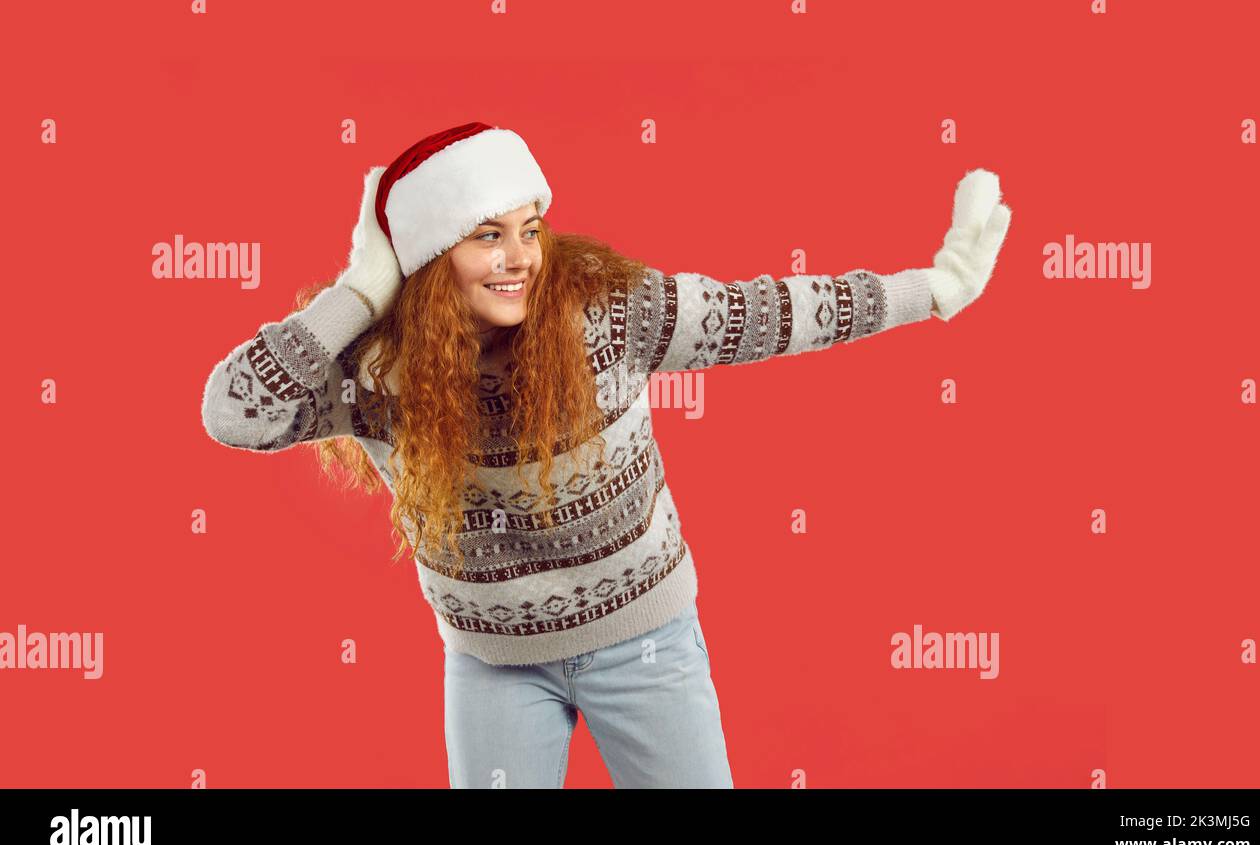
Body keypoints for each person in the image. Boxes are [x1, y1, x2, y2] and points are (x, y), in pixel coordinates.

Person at [200, 121, 1012, 788]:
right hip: (494, 665)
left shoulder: (605, 313)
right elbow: (233, 411)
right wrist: (359, 292)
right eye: (486, 235)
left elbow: (759, 313)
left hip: (644, 644)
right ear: (424, 255)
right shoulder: (378, 371)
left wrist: (928, 290)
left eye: (528, 230)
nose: (518, 258)